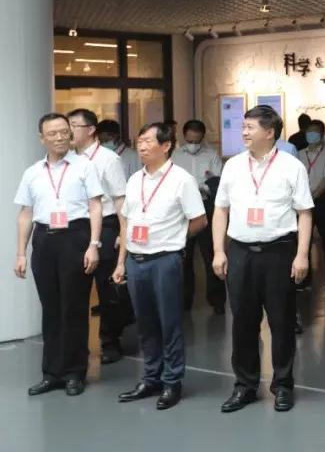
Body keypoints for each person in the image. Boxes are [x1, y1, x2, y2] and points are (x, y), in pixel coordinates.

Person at [212, 105, 313, 414]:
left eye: (250, 127)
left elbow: (305, 212)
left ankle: (282, 385)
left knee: (282, 322)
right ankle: (244, 386)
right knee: (242, 322)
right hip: (241, 252)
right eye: (243, 126)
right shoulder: (233, 166)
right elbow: (221, 209)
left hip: (279, 252)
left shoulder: (291, 166)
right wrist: (219, 250)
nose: (243, 132)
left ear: (269, 133)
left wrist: (302, 255)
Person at [113, 123, 207, 410]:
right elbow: (127, 222)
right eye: (139, 141)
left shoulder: (182, 179)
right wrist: (121, 262)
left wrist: (175, 240)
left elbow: (199, 220)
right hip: (136, 259)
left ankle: (172, 381)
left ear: (166, 146)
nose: (141, 146)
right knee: (145, 323)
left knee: (170, 323)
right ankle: (151, 377)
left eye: (148, 141)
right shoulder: (134, 179)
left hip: (165, 260)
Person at [14, 113, 103, 397]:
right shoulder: (32, 172)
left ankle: (75, 372)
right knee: (51, 308)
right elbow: (26, 213)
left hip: (75, 237)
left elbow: (95, 206)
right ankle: (51, 373)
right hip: (44, 240)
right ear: (42, 138)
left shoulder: (85, 166)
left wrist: (93, 244)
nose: (60, 137)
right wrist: (21, 252)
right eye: (52, 133)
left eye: (65, 131)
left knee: (73, 307)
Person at [68, 108, 129, 364]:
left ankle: (110, 342)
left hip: (106, 225)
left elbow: (120, 199)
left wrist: (123, 233)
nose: (68, 131)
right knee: (76, 289)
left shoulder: (108, 159)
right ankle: (76, 347)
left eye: (74, 125)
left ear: (91, 129)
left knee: (107, 289)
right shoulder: (68, 158)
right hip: (77, 226)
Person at [172, 119, 225, 314]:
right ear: (184, 136)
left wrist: (203, 187)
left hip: (206, 208)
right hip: (182, 212)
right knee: (183, 258)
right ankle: (184, 300)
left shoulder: (211, 155)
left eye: (197, 141)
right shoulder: (175, 156)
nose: (193, 145)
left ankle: (217, 300)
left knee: (211, 255)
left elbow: (218, 182)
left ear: (203, 137)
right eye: (190, 141)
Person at [298, 119, 325, 291]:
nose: (311, 135)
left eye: (315, 132)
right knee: (303, 241)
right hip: (303, 201)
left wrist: (313, 196)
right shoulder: (300, 154)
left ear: (322, 135)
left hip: (324, 200)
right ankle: (303, 281)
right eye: (309, 132)